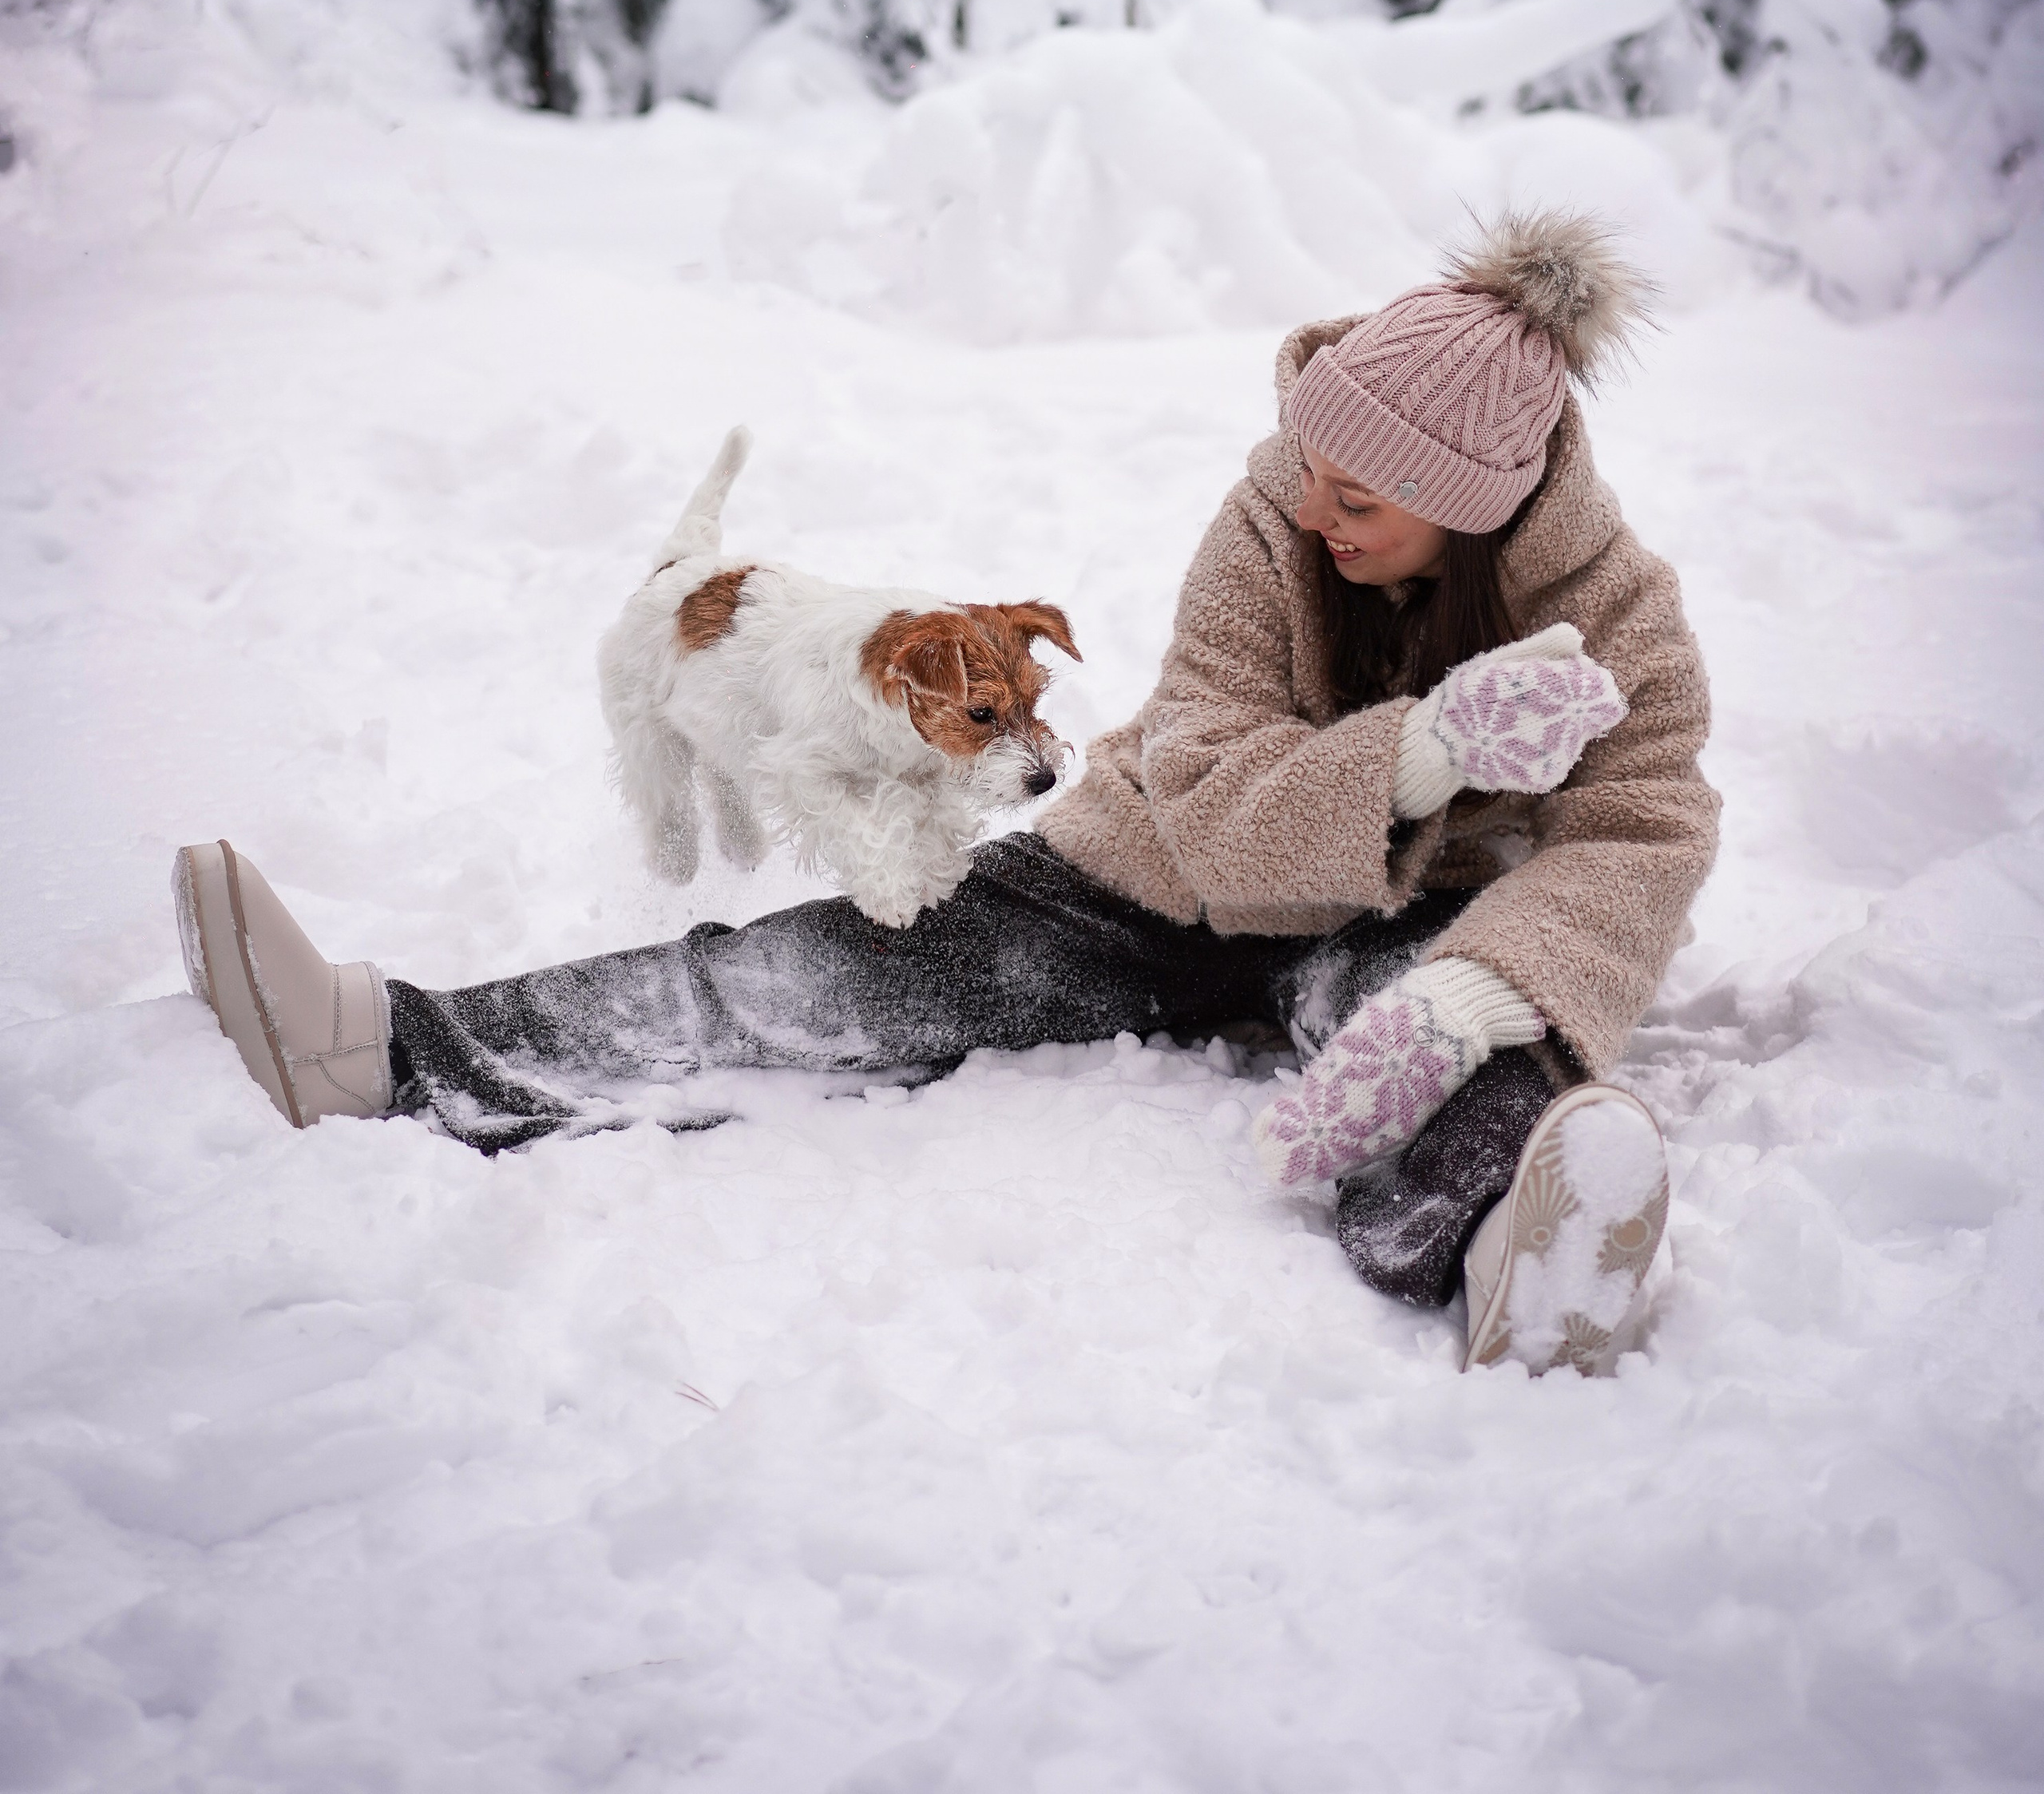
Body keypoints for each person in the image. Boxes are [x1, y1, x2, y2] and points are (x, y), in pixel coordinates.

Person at [172, 209, 1716, 1375]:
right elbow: (1194, 759)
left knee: (1432, 1043)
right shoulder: (1268, 527)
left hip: (1416, 925)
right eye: (1312, 465)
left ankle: (1525, 1243)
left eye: (1358, 496)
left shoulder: (1618, 603)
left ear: (1471, 502)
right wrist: (1422, 758)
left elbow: (1647, 820)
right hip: (1162, 872)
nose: (1314, 508)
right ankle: (388, 1047)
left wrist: (1501, 983)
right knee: (834, 965)